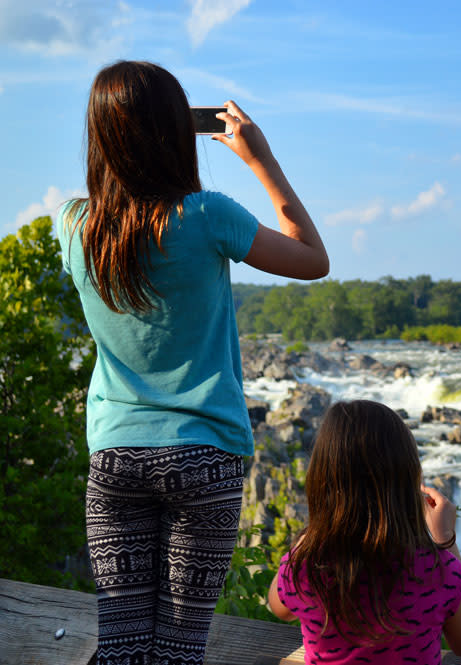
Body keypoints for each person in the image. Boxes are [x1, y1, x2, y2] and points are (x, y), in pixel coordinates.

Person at [57, 60, 329, 665]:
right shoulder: (206, 215)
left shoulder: (73, 226)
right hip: (204, 457)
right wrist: (261, 160)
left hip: (116, 456)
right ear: (172, 132)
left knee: (122, 648)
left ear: (103, 135)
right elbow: (314, 259)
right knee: (178, 652)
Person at [267, 400, 461, 664]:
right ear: (409, 481)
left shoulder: (306, 566)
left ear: (321, 481)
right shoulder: (438, 569)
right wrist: (445, 539)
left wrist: (314, 532)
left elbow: (279, 608)